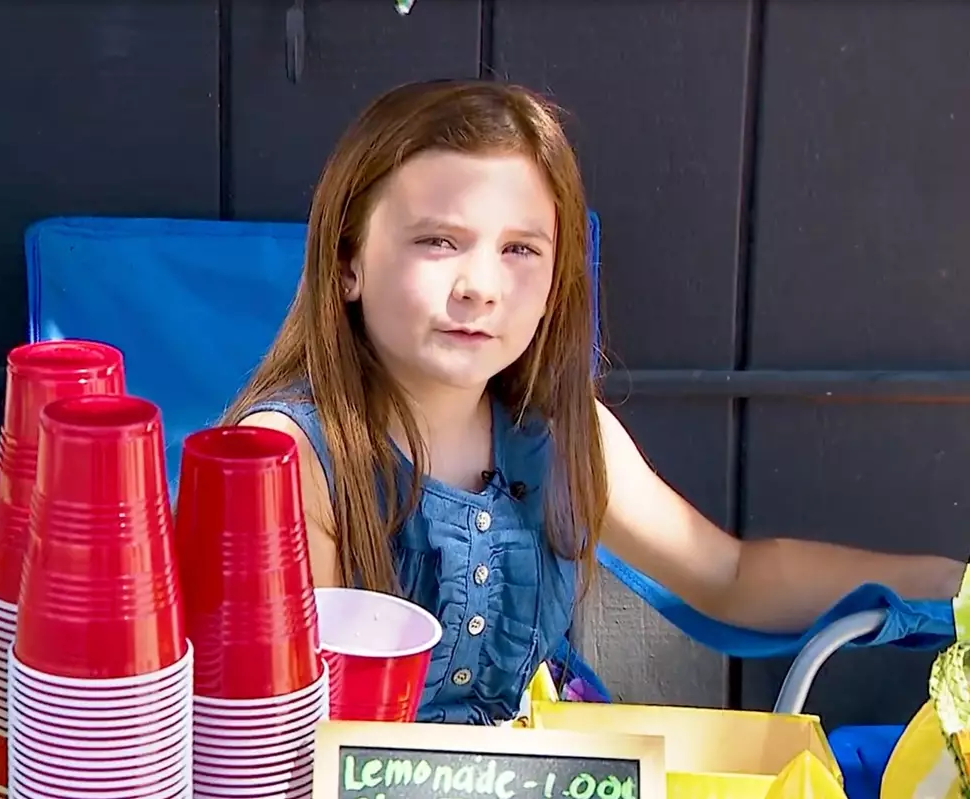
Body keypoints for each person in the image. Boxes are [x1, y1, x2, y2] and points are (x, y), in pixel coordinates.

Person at [222, 79, 964, 725]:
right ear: (347, 263)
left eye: (520, 249)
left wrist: (957, 587)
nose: (481, 286)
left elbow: (732, 578)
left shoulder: (561, 435)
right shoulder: (291, 459)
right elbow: (290, 732)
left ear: (556, 282)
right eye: (439, 241)